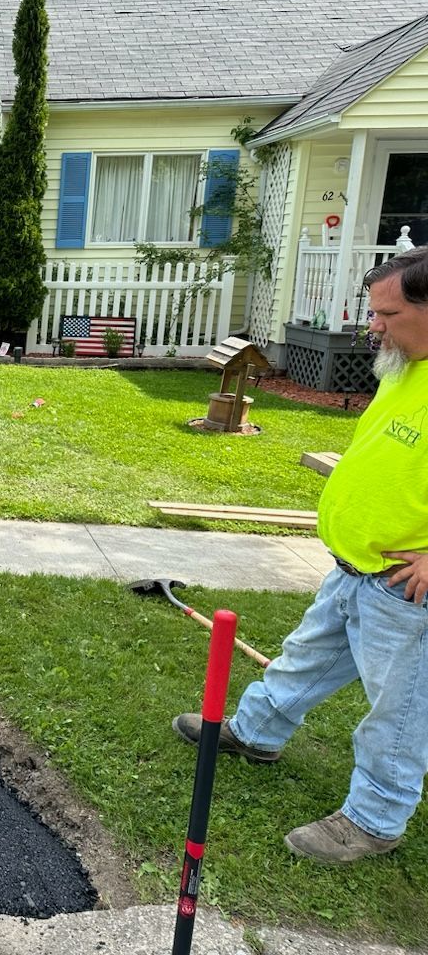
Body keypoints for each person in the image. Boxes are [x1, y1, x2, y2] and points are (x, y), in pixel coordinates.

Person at [173, 246, 428, 864]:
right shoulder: (405, 367)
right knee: (303, 660)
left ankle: (374, 819)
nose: (374, 326)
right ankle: (256, 733)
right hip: (353, 570)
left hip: (404, 588)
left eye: (387, 314)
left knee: (398, 713)